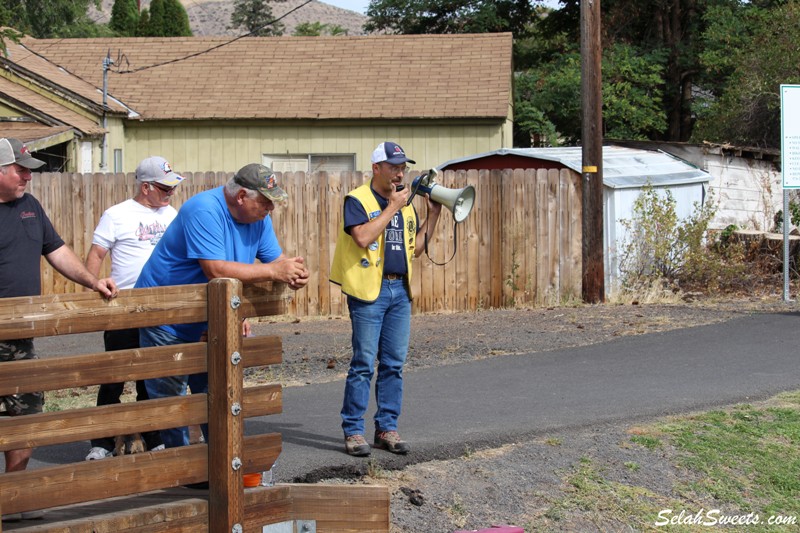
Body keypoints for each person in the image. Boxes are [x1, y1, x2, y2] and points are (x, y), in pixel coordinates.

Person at [135, 163, 309, 451]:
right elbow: (215, 269)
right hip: (166, 317)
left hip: (210, 317)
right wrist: (276, 273)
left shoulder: (259, 219)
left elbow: (275, 263)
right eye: (266, 202)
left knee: (217, 392)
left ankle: (219, 464)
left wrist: (293, 272)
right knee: (172, 399)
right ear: (242, 196)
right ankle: (182, 470)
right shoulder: (204, 209)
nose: (271, 209)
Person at [0, 138, 118, 520]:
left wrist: (92, 281)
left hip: (19, 336)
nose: (27, 177)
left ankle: (13, 498)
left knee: (27, 413)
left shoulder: (30, 208)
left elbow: (57, 251)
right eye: (21, 170)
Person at [330, 141, 441, 457]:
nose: (400, 173)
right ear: (376, 168)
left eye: (403, 167)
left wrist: (433, 217)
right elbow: (363, 237)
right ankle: (353, 431)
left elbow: (415, 249)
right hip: (368, 293)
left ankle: (386, 429)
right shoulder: (358, 200)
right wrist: (392, 206)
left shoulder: (406, 205)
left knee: (394, 364)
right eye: (394, 167)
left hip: (399, 292)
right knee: (363, 363)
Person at [84, 156, 185, 461]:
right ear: (145, 187)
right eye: (165, 188)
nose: (170, 194)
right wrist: (94, 286)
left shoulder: (173, 215)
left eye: (172, 188)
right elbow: (96, 254)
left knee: (152, 375)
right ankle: (101, 442)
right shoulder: (117, 215)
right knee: (114, 374)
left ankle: (154, 437)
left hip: (160, 307)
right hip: (123, 305)